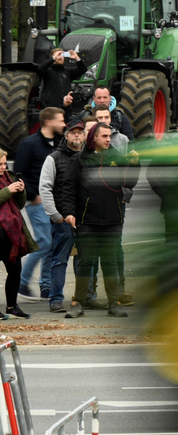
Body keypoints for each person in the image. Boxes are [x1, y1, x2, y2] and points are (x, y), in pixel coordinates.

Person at [66, 123, 133, 319]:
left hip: (112, 219)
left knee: (110, 262)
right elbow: (69, 188)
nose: (108, 139)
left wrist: (134, 165)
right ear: (93, 137)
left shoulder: (117, 157)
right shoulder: (79, 159)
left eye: (109, 136)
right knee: (85, 262)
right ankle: (78, 302)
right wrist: (69, 212)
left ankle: (114, 303)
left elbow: (129, 183)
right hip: (87, 219)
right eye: (104, 136)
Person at [14, 107, 63, 303]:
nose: (63, 124)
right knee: (44, 243)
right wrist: (33, 194)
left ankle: (46, 287)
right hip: (36, 202)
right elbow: (19, 173)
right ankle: (22, 283)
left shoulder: (57, 143)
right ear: (49, 121)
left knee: (51, 245)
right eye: (60, 120)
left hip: (52, 201)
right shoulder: (30, 144)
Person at [38, 116, 87, 313]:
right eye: (73, 132)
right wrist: (55, 216)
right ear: (66, 136)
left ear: (84, 135)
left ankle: (85, 297)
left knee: (85, 260)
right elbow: (45, 188)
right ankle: (56, 298)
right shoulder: (54, 158)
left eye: (80, 132)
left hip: (85, 219)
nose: (77, 136)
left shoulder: (89, 157)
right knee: (59, 259)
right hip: (62, 219)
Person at [0, 147, 31, 318]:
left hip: (10, 233)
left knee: (15, 270)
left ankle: (12, 306)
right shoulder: (7, 184)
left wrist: (21, 191)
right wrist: (8, 190)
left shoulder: (8, 177)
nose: (3, 167)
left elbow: (19, 204)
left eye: (4, 164)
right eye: (0, 164)